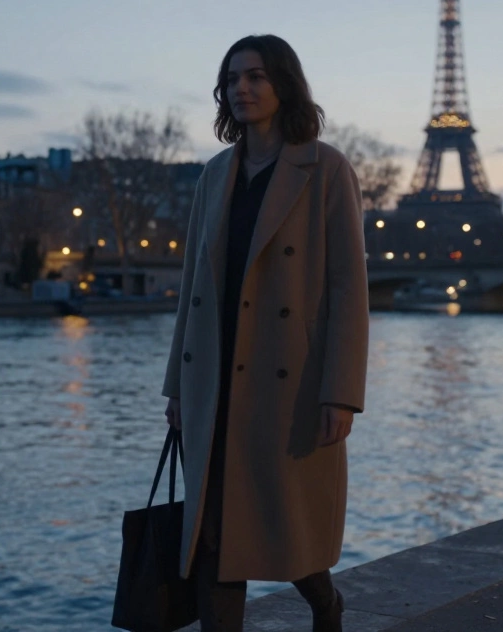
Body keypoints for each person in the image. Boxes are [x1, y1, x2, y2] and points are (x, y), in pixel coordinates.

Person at [161, 34, 369, 632]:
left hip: (288, 379)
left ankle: (324, 602)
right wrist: (177, 385)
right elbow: (193, 288)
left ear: (284, 84)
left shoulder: (325, 168)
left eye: (255, 76)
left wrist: (341, 392)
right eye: (232, 80)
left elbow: (348, 289)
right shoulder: (214, 174)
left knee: (285, 524)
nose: (242, 89)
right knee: (214, 537)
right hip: (215, 378)